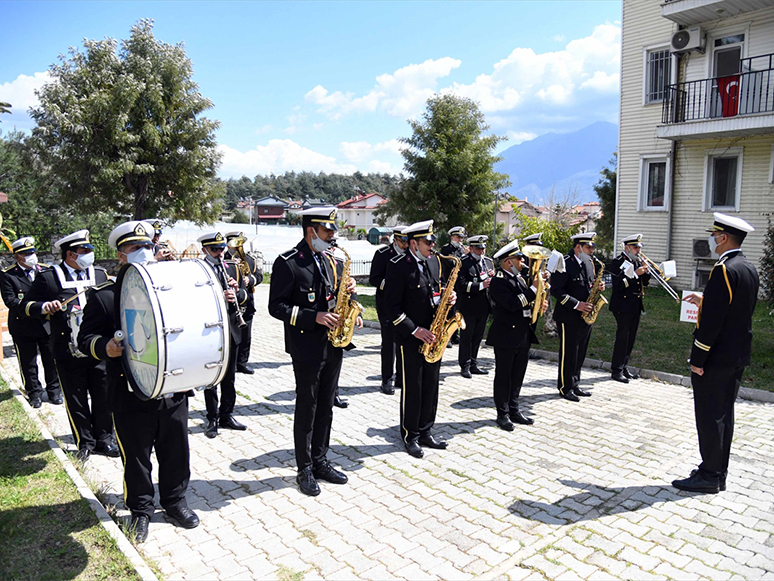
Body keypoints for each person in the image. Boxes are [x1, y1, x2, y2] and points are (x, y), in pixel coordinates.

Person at [78, 220, 199, 542]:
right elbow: (84, 338)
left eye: (148, 247)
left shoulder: (170, 290)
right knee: (137, 456)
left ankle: (175, 502)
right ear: (120, 256)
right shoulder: (105, 297)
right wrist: (105, 346)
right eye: (135, 249)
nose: (144, 253)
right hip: (129, 391)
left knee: (176, 451)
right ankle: (141, 510)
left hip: (171, 388)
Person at [268, 207, 361, 496]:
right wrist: (314, 316)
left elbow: (344, 291)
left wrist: (353, 300)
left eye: (333, 230)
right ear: (311, 231)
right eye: (327, 231)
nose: (333, 236)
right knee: (307, 407)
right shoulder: (288, 262)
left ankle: (321, 460)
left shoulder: (333, 259)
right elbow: (276, 307)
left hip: (334, 344)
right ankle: (304, 467)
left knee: (326, 406)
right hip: (307, 346)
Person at [673, 213, 758, 494]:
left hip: (716, 358)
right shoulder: (747, 267)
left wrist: (697, 359)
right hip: (737, 355)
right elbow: (735, 309)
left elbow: (712, 324)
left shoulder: (723, 270)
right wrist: (706, 300)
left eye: (714, 235)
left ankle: (709, 475)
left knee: (710, 416)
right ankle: (717, 471)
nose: (712, 239)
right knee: (724, 416)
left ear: (723, 238)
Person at [22, 229, 116, 461]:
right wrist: (45, 307)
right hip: (67, 348)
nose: (90, 254)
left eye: (90, 250)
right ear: (71, 254)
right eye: (85, 251)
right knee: (76, 398)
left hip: (98, 346)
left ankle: (105, 439)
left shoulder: (100, 275)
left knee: (103, 394)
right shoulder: (49, 277)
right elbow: (25, 306)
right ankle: (85, 442)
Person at [384, 219, 456, 459]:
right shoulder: (397, 266)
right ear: (413, 243)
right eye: (428, 241)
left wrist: (447, 298)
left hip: (433, 335)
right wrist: (415, 330)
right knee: (413, 388)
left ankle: (426, 430)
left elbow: (433, 293)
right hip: (411, 337)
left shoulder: (432, 263)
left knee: (431, 386)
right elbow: (390, 308)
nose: (432, 245)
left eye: (433, 241)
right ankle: (410, 435)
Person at [486, 240, 545, 430]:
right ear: (508, 261)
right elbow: (512, 304)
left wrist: (538, 304)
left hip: (522, 333)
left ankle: (514, 409)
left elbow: (525, 302)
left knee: (518, 374)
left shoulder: (518, 278)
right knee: (504, 376)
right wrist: (534, 289)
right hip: (506, 335)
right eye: (519, 258)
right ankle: (502, 414)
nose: (523, 261)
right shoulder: (498, 281)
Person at [198, 231, 250, 438]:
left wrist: (236, 292)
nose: (220, 253)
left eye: (222, 249)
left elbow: (246, 296)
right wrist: (220, 296)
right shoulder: (198, 270)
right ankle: (212, 417)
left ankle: (226, 415)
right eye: (214, 249)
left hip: (231, 327)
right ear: (204, 250)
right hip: (209, 329)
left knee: (230, 377)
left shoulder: (233, 267)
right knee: (211, 377)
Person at [0, 237, 62, 408]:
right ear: (17, 257)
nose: (31, 256)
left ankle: (54, 391)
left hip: (46, 325)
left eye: (32, 252)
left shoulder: (45, 271)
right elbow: (11, 301)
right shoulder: (8, 275)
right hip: (23, 325)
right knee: (28, 362)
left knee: (51, 359)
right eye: (26, 254)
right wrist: (39, 307)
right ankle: (34, 393)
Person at [550, 232, 604, 402]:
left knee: (580, 352)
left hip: (585, 315)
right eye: (588, 247)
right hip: (568, 316)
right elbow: (556, 290)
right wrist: (577, 304)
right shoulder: (564, 263)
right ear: (578, 247)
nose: (592, 251)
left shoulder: (589, 263)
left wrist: (598, 287)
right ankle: (565, 387)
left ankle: (575, 384)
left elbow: (588, 284)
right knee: (569, 353)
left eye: (592, 247)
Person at [368, 225, 408, 395]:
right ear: (394, 239)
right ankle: (387, 379)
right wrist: (391, 285)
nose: (405, 245)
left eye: (407, 241)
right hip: (386, 304)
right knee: (389, 343)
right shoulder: (383, 255)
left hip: (405, 305)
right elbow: (374, 279)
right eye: (402, 241)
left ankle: (401, 376)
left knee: (403, 342)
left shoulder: (409, 256)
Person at [608, 234, 651, 383]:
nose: (638, 250)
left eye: (639, 247)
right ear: (627, 248)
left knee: (631, 337)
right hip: (622, 305)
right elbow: (619, 285)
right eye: (635, 247)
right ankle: (616, 369)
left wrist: (647, 270)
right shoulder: (618, 262)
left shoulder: (636, 261)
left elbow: (644, 283)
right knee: (623, 336)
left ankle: (624, 365)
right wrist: (634, 275)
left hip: (635, 304)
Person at [455, 234, 493, 378]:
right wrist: (481, 285)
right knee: (467, 336)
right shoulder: (463, 262)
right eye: (478, 249)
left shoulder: (487, 262)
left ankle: (473, 363)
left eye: (483, 249)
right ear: (470, 248)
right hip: (468, 305)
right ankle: (464, 365)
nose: (481, 252)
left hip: (483, 305)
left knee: (477, 336)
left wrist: (492, 278)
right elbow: (461, 285)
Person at [225, 231, 262, 375]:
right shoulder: (224, 260)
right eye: (235, 244)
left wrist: (250, 280)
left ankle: (242, 363)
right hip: (231, 302)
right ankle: (231, 364)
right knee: (232, 335)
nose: (237, 248)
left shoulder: (249, 260)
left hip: (248, 302)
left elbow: (259, 276)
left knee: (246, 335)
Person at [440, 226, 467, 346]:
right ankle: (447, 337)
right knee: (449, 310)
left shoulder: (461, 249)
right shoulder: (446, 249)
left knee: (458, 310)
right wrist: (463, 257)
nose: (460, 240)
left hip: (459, 285)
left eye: (461, 237)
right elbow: (450, 263)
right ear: (452, 237)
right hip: (448, 283)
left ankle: (455, 335)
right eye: (458, 237)